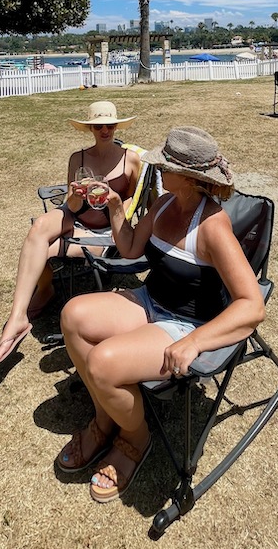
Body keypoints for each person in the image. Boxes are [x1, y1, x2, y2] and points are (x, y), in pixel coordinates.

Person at [56, 126, 265, 503]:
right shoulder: (165, 203)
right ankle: (107, 418)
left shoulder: (213, 226)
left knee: (102, 363)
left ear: (187, 177)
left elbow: (252, 305)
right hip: (152, 300)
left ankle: (136, 438)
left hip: (187, 323)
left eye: (163, 165)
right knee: (73, 315)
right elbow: (132, 246)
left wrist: (195, 342)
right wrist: (116, 207)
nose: (156, 170)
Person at [0, 101, 141, 365]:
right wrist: (75, 196)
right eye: (98, 126)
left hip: (105, 228)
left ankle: (44, 291)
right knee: (37, 229)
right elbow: (71, 206)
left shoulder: (131, 159)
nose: (104, 130)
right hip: (77, 218)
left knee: (42, 251)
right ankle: (17, 317)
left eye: (109, 125)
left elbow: (134, 201)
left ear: (116, 126)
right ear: (90, 129)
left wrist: (115, 206)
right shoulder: (78, 158)